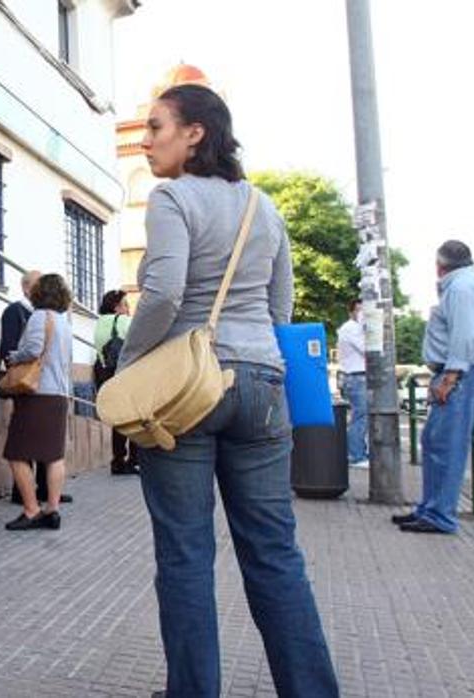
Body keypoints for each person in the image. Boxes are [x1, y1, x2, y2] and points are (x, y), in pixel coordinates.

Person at [119, 84, 338, 697]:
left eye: (156, 127)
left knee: (187, 558)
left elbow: (163, 293)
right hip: (264, 385)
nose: (146, 140)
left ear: (195, 133)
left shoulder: (171, 197)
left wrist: (130, 367)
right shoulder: (263, 207)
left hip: (188, 389)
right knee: (275, 554)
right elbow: (280, 305)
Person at [393, 241, 474, 534]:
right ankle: (430, 508)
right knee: (435, 440)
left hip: (464, 373)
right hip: (464, 371)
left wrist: (451, 376)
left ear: (439, 266)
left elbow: (465, 334)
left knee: (446, 443)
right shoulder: (471, 283)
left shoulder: (461, 288)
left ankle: (440, 514)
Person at [2, 274, 74, 531]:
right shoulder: (65, 323)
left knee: (16, 453)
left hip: (37, 395)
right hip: (59, 395)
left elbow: (32, 350)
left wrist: (14, 356)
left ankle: (31, 510)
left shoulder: (39, 317)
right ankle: (52, 510)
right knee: (54, 456)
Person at [93, 289, 138, 475]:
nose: (128, 308)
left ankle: (117, 460)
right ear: (116, 306)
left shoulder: (99, 324)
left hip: (105, 373)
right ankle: (134, 460)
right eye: (125, 304)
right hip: (125, 373)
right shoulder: (124, 321)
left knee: (118, 418)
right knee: (135, 416)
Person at [336, 299, 369, 468]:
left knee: (363, 416)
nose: (363, 314)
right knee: (360, 416)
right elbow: (367, 349)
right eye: (359, 311)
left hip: (359, 376)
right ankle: (356, 455)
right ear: (352, 313)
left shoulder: (356, 329)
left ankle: (359, 451)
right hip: (356, 376)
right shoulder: (350, 329)